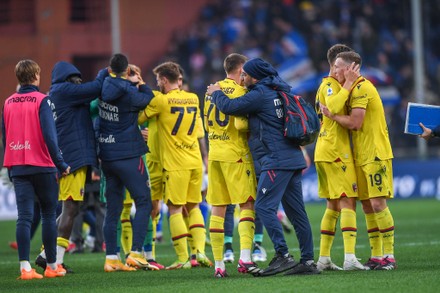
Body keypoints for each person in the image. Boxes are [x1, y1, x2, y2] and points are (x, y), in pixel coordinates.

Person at [207, 58, 319, 276]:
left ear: (254, 76)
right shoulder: (279, 90)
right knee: (297, 214)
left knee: (263, 207)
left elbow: (230, 107)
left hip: (276, 160)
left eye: (245, 75)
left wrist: (217, 92)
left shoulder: (259, 94)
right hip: (292, 158)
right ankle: (307, 261)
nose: (242, 78)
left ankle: (283, 255)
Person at [321, 51, 396, 270]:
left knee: (377, 203)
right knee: (366, 205)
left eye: (338, 67)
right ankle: (376, 255)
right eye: (334, 66)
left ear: (351, 69)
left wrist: (333, 116)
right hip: (360, 155)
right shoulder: (350, 89)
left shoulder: (363, 87)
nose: (334, 71)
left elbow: (355, 122)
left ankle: (389, 255)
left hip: (375, 153)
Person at [35, 60, 108, 272]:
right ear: (68, 78)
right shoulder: (64, 90)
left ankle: (47, 254)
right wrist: (105, 71)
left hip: (71, 158)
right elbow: (94, 88)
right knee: (71, 207)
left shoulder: (59, 94)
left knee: (70, 207)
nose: (80, 83)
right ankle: (53, 260)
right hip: (72, 160)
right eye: (77, 79)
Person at [139, 61, 211, 270]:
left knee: (174, 209)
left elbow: (138, 117)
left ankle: (182, 257)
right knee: (194, 206)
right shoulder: (193, 98)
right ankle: (200, 253)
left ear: (162, 80)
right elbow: (199, 133)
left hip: (175, 164)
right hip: (195, 161)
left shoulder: (161, 100)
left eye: (157, 80)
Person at [2, 59, 71, 279]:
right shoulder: (43, 100)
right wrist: (61, 164)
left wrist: (10, 162)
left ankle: (25, 268)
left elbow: (5, 137)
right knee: (49, 214)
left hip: (18, 166)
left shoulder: (8, 102)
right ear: (36, 76)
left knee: (24, 217)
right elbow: (50, 137)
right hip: (42, 165)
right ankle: (51, 265)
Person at [98, 53, 157, 272]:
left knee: (112, 209)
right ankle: (135, 253)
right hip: (129, 156)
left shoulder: (102, 87)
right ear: (127, 72)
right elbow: (148, 98)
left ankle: (112, 258)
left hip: (107, 156)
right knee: (144, 202)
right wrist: (140, 84)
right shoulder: (129, 93)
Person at [204, 53, 260, 278]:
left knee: (218, 208)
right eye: (245, 72)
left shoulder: (210, 92)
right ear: (241, 70)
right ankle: (245, 258)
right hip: (236, 155)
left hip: (215, 154)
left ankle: (219, 264)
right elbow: (240, 124)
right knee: (247, 205)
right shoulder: (241, 92)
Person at [314, 44, 367, 271]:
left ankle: (324, 258)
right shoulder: (329, 85)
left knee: (333, 205)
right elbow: (333, 107)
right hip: (335, 151)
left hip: (325, 149)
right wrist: (347, 83)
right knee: (347, 201)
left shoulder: (327, 84)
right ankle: (349, 257)